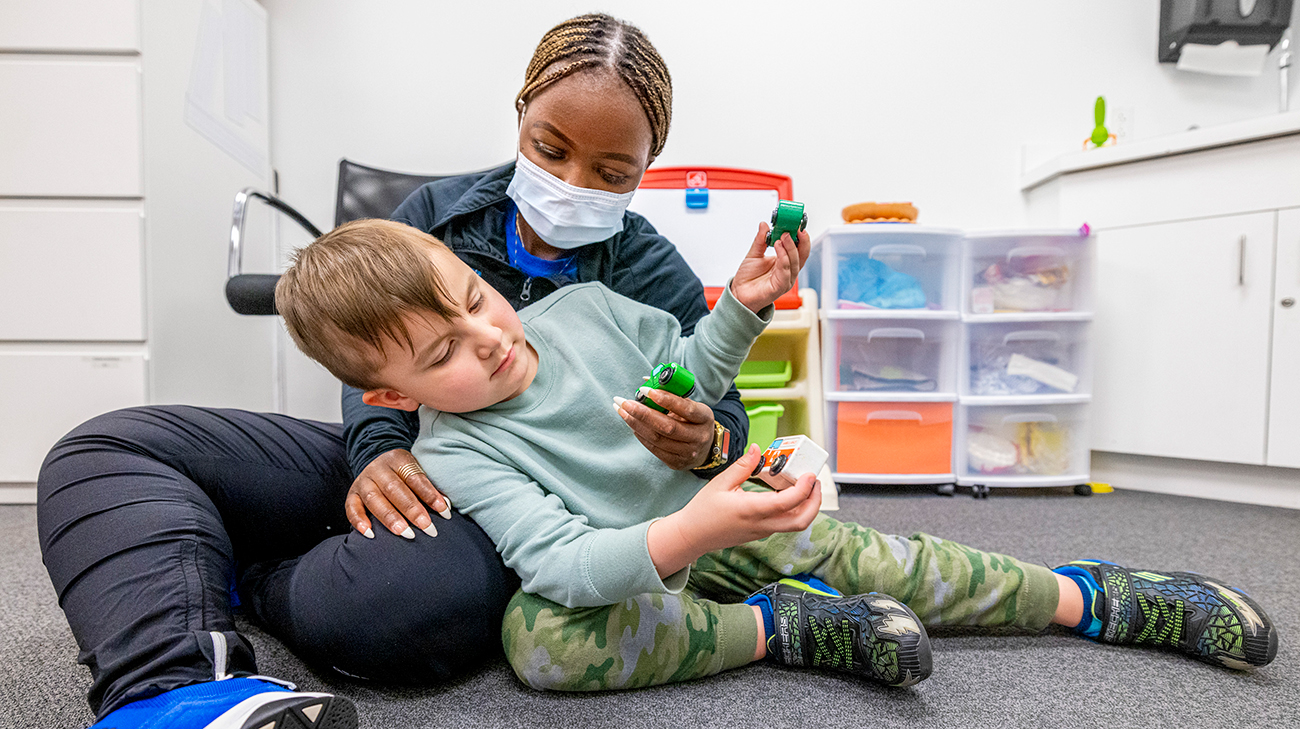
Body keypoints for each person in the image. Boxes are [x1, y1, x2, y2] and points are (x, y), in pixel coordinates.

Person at [37, 13, 751, 729]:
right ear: (522, 113)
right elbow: (368, 362)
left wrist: (703, 443)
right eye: (550, 148)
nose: (571, 182)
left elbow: (725, 419)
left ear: (646, 165)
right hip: (410, 452)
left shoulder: (653, 276)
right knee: (102, 451)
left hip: (530, 505)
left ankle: (250, 576)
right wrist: (379, 450)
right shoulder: (434, 218)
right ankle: (175, 695)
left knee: (395, 603)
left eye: (611, 172)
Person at [275, 217, 1277, 693]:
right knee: (540, 641)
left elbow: (689, 371)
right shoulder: (456, 451)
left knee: (904, 565)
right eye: (444, 351)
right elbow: (559, 563)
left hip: (733, 518)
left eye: (474, 300)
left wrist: (743, 304)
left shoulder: (579, 310)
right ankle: (781, 632)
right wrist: (687, 529)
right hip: (651, 571)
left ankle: (1091, 594)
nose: (488, 337)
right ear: (391, 396)